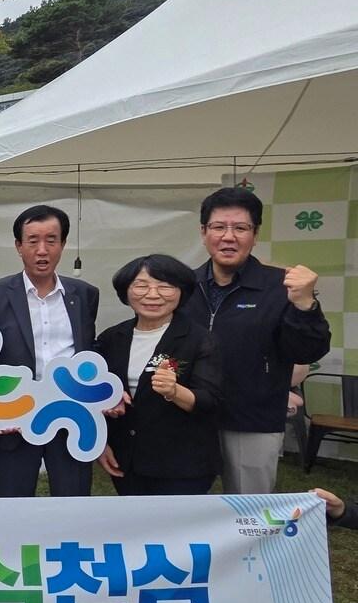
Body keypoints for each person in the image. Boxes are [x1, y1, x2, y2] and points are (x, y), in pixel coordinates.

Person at [183, 187, 331, 494]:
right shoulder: (184, 286)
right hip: (190, 414)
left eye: (240, 228)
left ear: (255, 234)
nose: (228, 236)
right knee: (186, 505)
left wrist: (306, 305)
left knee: (248, 510)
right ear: (203, 232)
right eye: (218, 227)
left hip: (252, 419)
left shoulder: (280, 287)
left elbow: (307, 350)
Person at [0, 205, 100, 497]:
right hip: (17, 416)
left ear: (63, 244)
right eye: (33, 241)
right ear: (18, 246)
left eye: (51, 240)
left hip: (71, 414)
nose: (42, 250)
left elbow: (88, 349)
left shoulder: (84, 294)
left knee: (73, 500)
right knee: (14, 502)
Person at [94, 255, 223, 494]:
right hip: (127, 460)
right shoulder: (111, 338)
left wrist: (174, 391)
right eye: (141, 285)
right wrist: (100, 441)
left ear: (182, 292)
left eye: (165, 286)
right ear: (126, 291)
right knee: (134, 518)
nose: (153, 294)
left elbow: (210, 401)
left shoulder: (199, 339)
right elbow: (93, 389)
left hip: (182, 464)